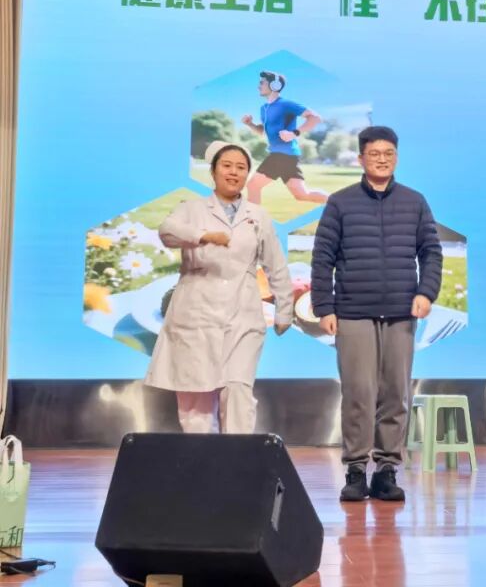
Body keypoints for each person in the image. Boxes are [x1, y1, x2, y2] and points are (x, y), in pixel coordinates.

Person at [311, 126, 443, 502]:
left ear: (396, 157)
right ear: (361, 159)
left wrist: (426, 292)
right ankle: (355, 470)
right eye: (374, 154)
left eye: (388, 153)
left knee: (395, 393)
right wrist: (324, 307)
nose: (382, 159)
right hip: (353, 312)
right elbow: (322, 257)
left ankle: (386, 470)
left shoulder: (415, 201)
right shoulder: (340, 202)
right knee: (358, 393)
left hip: (401, 312)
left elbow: (431, 252)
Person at [146, 143, 293, 433]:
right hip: (195, 314)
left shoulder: (258, 215)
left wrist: (285, 309)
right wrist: (204, 236)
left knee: (238, 390)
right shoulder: (191, 209)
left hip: (243, 314)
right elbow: (167, 232)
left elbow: (276, 265)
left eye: (241, 167)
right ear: (213, 171)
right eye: (227, 166)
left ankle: (238, 458)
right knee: (196, 400)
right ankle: (203, 459)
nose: (234, 172)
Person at [241, 70, 327, 205]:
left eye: (262, 83)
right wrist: (250, 124)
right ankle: (340, 203)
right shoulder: (264, 108)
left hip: (282, 154)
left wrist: (294, 133)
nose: (258, 86)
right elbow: (263, 131)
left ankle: (253, 218)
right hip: (287, 156)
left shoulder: (286, 104)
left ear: (274, 85)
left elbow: (315, 118)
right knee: (302, 195)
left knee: (253, 186)